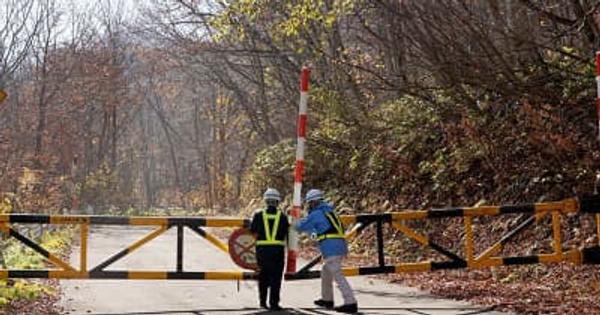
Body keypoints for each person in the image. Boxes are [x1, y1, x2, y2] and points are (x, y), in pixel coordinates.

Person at [295, 189, 358, 314]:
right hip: (339, 245)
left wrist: (293, 220)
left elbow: (300, 226)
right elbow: (317, 229)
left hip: (331, 247)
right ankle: (327, 299)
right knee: (326, 271)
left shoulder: (316, 214)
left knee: (337, 275)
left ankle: (351, 302)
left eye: (309, 203)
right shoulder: (330, 211)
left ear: (313, 202)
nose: (309, 206)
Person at [249, 188, 289, 311]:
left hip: (262, 251)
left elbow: (253, 232)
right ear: (278, 202)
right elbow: (286, 233)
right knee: (276, 278)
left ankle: (262, 302)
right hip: (277, 251)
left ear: (265, 201)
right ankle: (274, 303)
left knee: (263, 276)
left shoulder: (258, 215)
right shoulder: (282, 216)